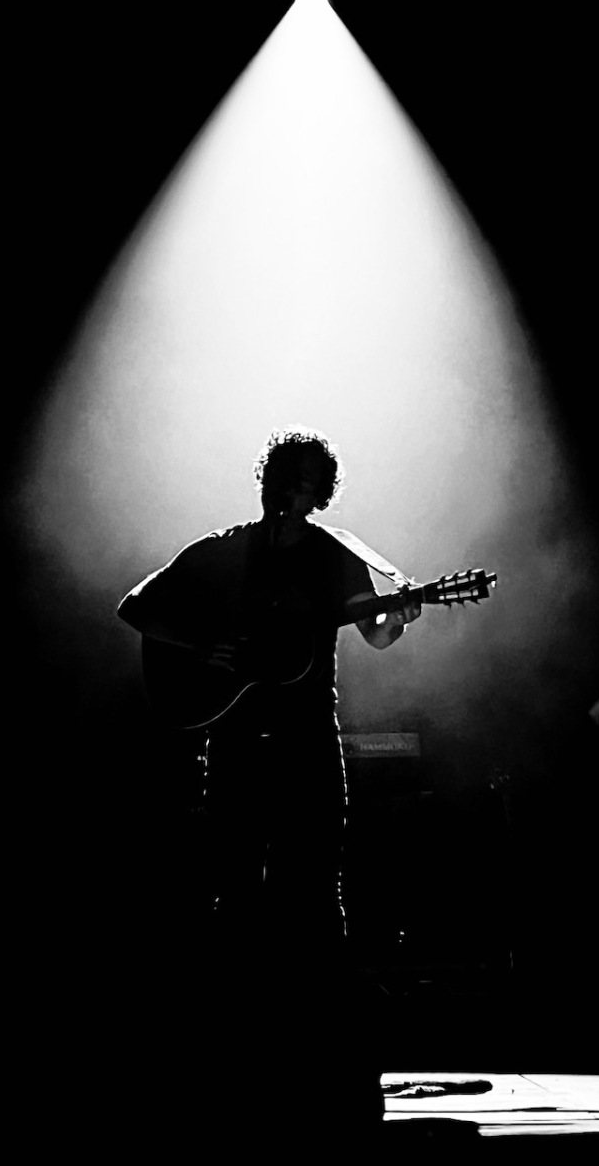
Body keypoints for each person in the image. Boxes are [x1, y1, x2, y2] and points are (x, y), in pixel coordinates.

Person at [117, 425, 421, 1145]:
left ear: (320, 494)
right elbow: (135, 606)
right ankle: (230, 1059)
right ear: (265, 481)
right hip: (234, 739)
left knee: (315, 893)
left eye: (305, 481)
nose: (290, 491)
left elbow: (376, 633)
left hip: (308, 742)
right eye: (282, 476)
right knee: (233, 892)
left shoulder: (336, 555)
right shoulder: (223, 549)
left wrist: (401, 613)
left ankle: (323, 1060)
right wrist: (202, 645)